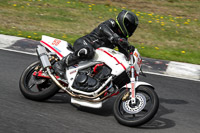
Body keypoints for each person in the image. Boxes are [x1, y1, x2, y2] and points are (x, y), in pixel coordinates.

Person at [53, 10, 139, 77]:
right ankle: (60, 64)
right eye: (130, 26)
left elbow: (124, 54)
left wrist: (130, 55)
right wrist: (114, 37)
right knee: (88, 51)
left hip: (96, 56)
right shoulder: (111, 24)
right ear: (123, 22)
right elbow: (103, 28)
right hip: (84, 43)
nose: (131, 29)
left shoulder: (122, 38)